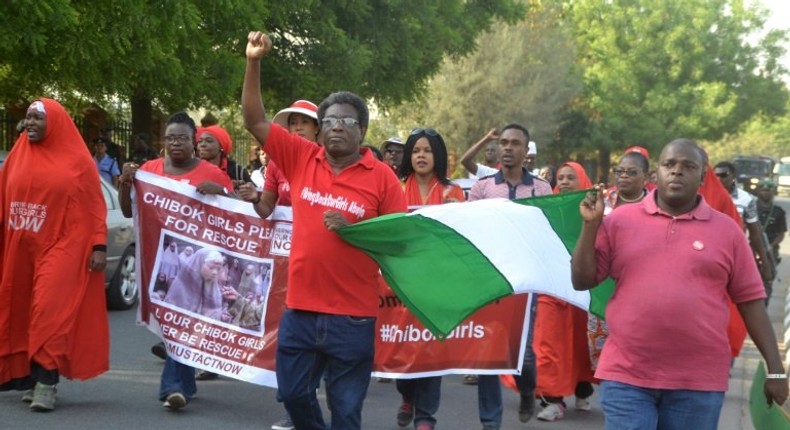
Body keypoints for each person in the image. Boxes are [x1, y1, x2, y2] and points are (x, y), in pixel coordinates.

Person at [242, 31, 407, 430]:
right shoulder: (301, 158)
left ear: (362, 130)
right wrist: (253, 61)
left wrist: (355, 229)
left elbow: (399, 242)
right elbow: (255, 120)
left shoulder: (383, 179)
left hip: (352, 318)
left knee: (346, 411)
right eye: (328, 120)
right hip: (300, 309)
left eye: (346, 121)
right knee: (294, 395)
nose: (336, 127)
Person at [571, 138, 788, 429]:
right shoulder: (619, 221)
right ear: (655, 174)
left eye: (688, 166)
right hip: (627, 375)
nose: (677, 172)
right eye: (669, 165)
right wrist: (590, 226)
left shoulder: (727, 232)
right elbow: (582, 280)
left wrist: (776, 371)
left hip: (698, 382)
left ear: (702, 177)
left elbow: (751, 302)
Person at [118, 111, 234, 410]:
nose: (175, 143)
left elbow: (237, 219)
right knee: (177, 326)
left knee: (179, 322)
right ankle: (186, 384)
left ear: (193, 141)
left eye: (182, 138)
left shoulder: (212, 173)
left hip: (195, 266)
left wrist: (221, 192)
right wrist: (124, 184)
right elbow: (130, 212)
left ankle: (172, 388)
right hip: (159, 264)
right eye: (170, 138)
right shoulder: (150, 169)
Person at [0, 98, 110, 412]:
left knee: (49, 310)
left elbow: (92, 205)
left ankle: (47, 383)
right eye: (28, 118)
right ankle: (30, 376)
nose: (30, 123)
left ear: (55, 123)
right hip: (21, 243)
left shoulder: (78, 160)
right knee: (20, 308)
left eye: (37, 118)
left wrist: (98, 244)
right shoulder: (18, 154)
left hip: (63, 244)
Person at [237, 99, 321, 430]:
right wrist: (255, 198)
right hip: (284, 265)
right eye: (291, 123)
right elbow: (266, 209)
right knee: (289, 334)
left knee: (311, 337)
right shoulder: (276, 165)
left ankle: (298, 402)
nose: (296, 127)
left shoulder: (326, 161)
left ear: (317, 128)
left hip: (318, 263)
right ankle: (294, 401)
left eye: (303, 122)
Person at [467, 123, 552, 428]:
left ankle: (527, 390)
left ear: (525, 150)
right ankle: (491, 422)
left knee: (524, 352)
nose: (507, 148)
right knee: (489, 350)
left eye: (515, 143)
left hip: (526, 279)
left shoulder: (541, 188)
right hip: (491, 278)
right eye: (503, 142)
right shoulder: (483, 187)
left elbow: (548, 233)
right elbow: (470, 229)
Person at [394, 128, 465, 430]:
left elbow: (462, 238)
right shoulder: (395, 187)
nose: (421, 156)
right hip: (399, 283)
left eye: (427, 150)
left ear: (438, 156)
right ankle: (406, 395)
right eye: (416, 150)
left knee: (431, 349)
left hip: (438, 283)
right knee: (402, 349)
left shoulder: (454, 193)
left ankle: (425, 417)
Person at [532, 162, 596, 422]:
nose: (566, 181)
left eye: (571, 177)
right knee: (548, 344)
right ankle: (553, 399)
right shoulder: (546, 210)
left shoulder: (594, 208)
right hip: (551, 288)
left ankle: (582, 388)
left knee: (580, 345)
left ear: (582, 180)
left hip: (583, 289)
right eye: (561, 178)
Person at [714, 161, 775, 301]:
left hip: (735, 254)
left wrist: (765, 263)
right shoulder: (702, 197)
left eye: (723, 175)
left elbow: (755, 233)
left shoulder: (746, 199)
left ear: (733, 176)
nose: (719, 179)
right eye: (715, 175)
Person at [164, 248, 224, 320]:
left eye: (218, 269)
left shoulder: (214, 289)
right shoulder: (182, 284)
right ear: (199, 263)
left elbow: (214, 316)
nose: (215, 273)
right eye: (211, 267)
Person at [603, 151, 651, 215]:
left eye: (631, 172)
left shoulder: (655, 204)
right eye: (619, 171)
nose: (623, 175)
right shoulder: (604, 199)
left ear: (645, 178)